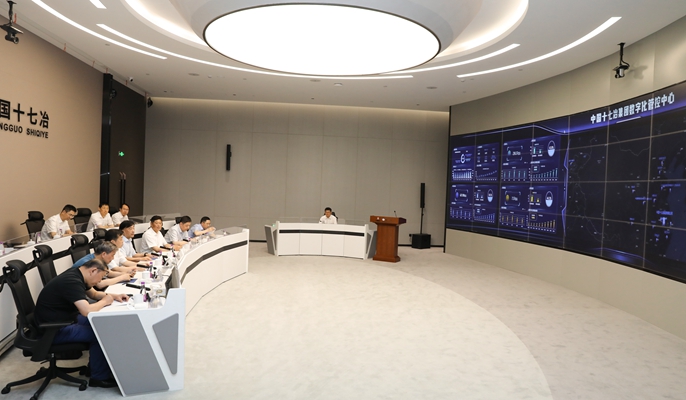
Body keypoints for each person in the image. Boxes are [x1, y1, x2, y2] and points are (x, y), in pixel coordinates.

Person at [34, 258, 128, 388]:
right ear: (93, 271)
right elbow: (86, 311)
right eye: (100, 278)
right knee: (100, 334)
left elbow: (94, 294)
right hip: (53, 329)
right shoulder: (71, 281)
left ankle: (95, 367)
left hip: (64, 320)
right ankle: (98, 378)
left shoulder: (77, 274)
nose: (99, 282)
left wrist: (112, 296)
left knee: (101, 324)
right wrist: (105, 301)